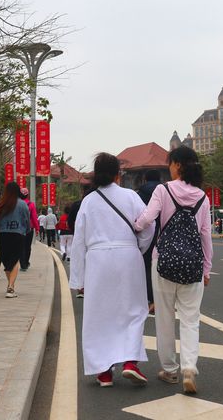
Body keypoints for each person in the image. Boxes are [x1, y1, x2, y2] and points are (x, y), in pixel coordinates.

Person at [69, 153, 155, 387]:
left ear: (96, 175)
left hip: (98, 260)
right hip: (128, 257)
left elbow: (79, 240)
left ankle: (104, 371)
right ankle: (130, 362)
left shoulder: (88, 202)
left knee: (99, 314)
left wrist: (78, 277)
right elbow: (148, 226)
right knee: (134, 310)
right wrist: (138, 248)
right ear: (119, 173)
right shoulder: (131, 197)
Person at [134, 146, 212, 394]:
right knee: (191, 320)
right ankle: (189, 368)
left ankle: (169, 370)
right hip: (192, 265)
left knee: (165, 318)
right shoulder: (202, 196)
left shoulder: (163, 190)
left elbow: (147, 218)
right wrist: (207, 268)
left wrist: (136, 226)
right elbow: (206, 235)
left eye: (170, 163)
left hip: (164, 262)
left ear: (177, 164)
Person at [0, 182, 31, 298]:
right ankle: (11, 287)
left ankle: (10, 286)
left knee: (7, 262)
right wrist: (27, 230)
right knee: (15, 260)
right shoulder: (22, 204)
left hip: (3, 235)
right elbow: (27, 219)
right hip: (18, 235)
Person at [137, 169, 162, 313]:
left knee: (146, 267)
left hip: (146, 233)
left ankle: (151, 299)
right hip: (163, 234)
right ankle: (162, 300)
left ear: (145, 179)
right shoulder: (166, 191)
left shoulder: (139, 194)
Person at [68, 185, 93, 299]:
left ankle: (80, 287)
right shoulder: (95, 203)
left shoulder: (78, 204)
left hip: (79, 234)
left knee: (80, 259)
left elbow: (70, 220)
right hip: (94, 237)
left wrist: (74, 231)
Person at [19, 187, 40, 271]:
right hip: (29, 228)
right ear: (27, 195)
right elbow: (34, 217)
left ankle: (22, 264)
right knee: (27, 246)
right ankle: (26, 262)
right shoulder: (31, 204)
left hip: (19, 228)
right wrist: (37, 228)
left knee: (21, 246)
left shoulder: (17, 204)